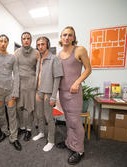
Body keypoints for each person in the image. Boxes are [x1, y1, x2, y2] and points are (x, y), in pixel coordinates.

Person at [56, 26, 92, 165]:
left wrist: (77, 82)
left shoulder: (79, 50)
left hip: (74, 93)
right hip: (62, 92)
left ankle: (79, 150)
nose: (67, 37)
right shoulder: (59, 55)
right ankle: (69, 143)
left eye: (70, 35)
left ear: (73, 37)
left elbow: (88, 69)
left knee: (75, 122)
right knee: (68, 120)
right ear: (61, 37)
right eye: (64, 35)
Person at [32, 37, 63, 152]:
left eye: (43, 44)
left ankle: (51, 141)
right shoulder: (38, 59)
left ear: (47, 45)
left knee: (49, 118)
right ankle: (41, 132)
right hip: (38, 90)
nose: (40, 46)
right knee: (39, 115)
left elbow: (57, 78)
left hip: (48, 92)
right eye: (38, 44)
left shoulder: (54, 59)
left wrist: (54, 96)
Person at [0, 34, 22, 151]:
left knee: (12, 114)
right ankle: (5, 131)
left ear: (8, 43)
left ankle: (14, 138)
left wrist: (15, 91)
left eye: (5, 41)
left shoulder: (12, 57)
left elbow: (17, 75)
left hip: (10, 90)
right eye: (1, 41)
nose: (3, 43)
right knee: (1, 114)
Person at [15, 32, 39, 141]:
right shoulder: (16, 52)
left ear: (31, 40)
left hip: (31, 83)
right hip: (19, 83)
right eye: (24, 38)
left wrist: (38, 85)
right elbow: (14, 70)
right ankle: (22, 127)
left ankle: (29, 129)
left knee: (30, 108)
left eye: (28, 38)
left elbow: (39, 70)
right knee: (18, 108)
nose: (26, 40)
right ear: (21, 40)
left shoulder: (37, 53)